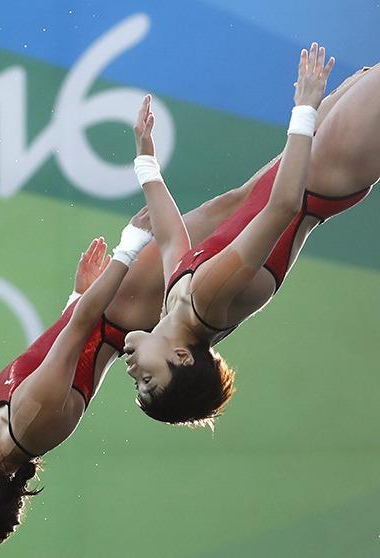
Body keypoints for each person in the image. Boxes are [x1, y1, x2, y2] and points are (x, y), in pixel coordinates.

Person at [123, 43, 378, 427]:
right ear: (181, 357)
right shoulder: (207, 301)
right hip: (333, 165)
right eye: (147, 379)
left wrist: (146, 162)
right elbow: (283, 208)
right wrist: (305, 106)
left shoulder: (177, 309)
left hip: (316, 154)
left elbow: (174, 241)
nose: (132, 373)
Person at [0, 215, 152, 548]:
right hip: (126, 303)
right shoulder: (29, 425)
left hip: (110, 300)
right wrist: (131, 244)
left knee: (245, 204)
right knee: (247, 205)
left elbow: (56, 349)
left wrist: (78, 294)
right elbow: (79, 328)